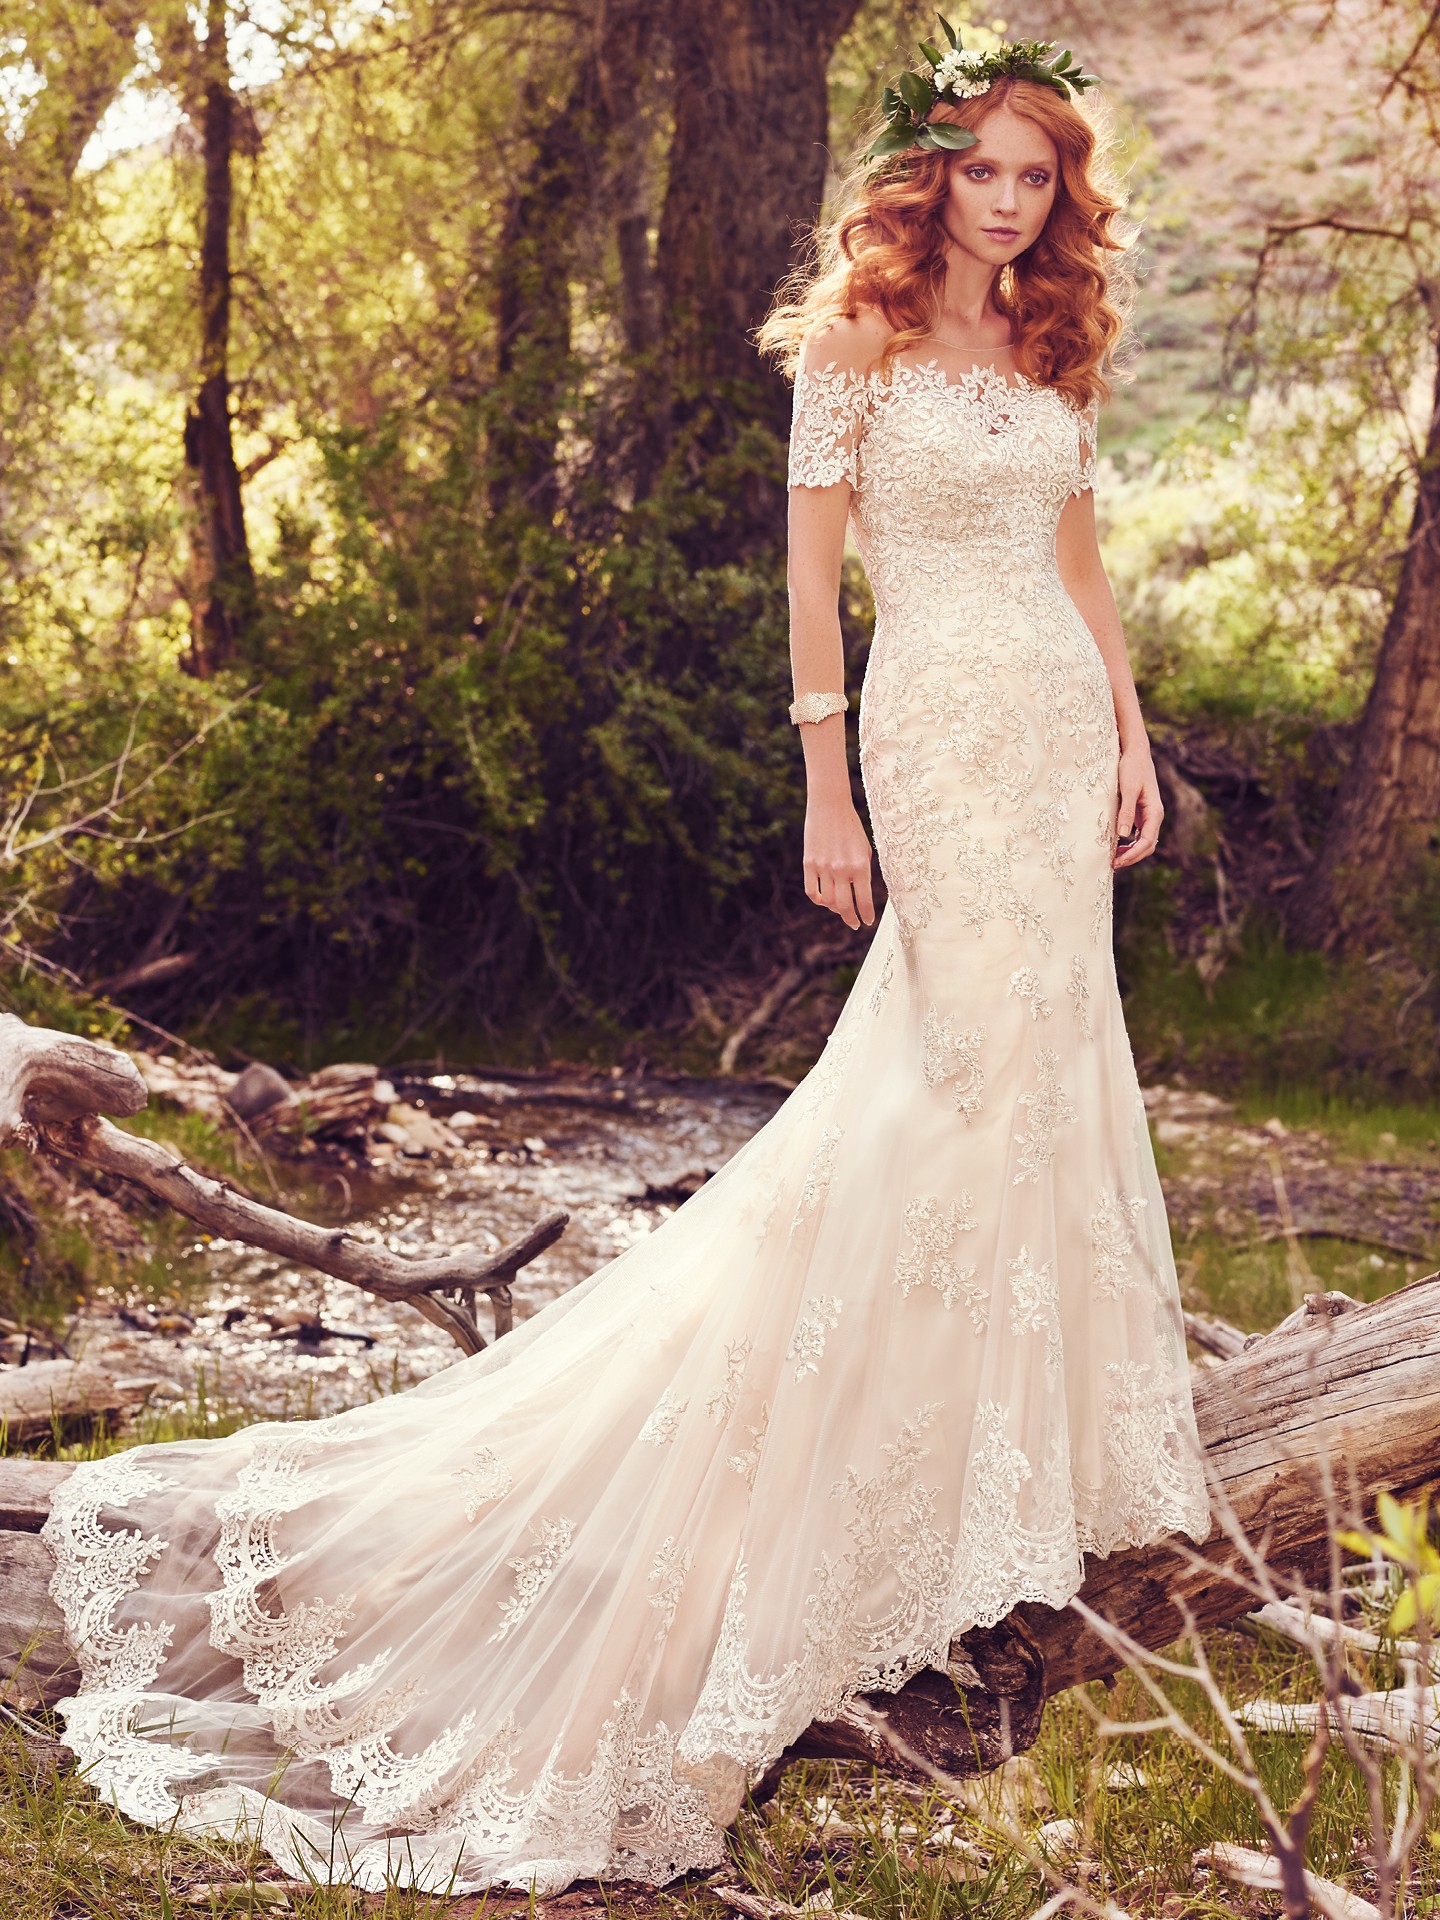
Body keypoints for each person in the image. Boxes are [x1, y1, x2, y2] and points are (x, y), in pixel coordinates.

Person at [42, 32, 1210, 1900]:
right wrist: (827, 786)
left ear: (1060, 193)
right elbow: (814, 582)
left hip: (1060, 729)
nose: (1011, 200)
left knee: (1039, 1070)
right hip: (929, 731)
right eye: (981, 170)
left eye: (1035, 176)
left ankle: (1000, 1469)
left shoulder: (1057, 344)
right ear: (928, 178)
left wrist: (1135, 734)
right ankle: (841, 1469)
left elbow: (1076, 554)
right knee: (939, 1083)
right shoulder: (857, 346)